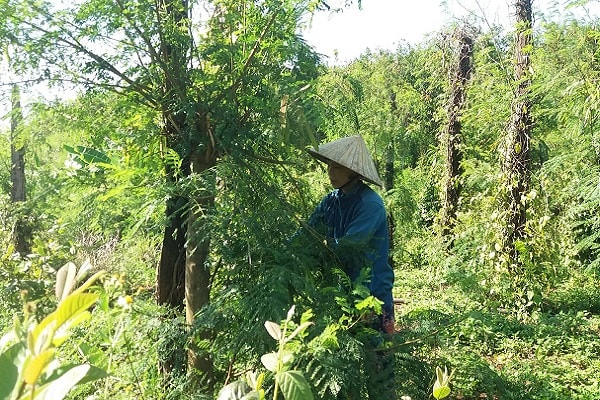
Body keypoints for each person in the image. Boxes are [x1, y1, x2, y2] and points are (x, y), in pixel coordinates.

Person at [306, 135, 395, 335]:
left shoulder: (370, 204)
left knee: (379, 357)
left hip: (372, 292)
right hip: (343, 291)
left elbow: (347, 248)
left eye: (337, 167)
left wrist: (322, 249)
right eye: (329, 165)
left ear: (353, 171)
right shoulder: (331, 201)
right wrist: (285, 250)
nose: (331, 172)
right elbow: (307, 232)